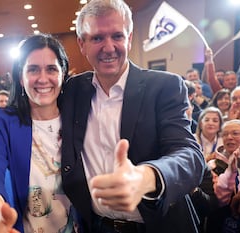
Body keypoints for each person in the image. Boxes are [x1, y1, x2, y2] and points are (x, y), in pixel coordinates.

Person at [60, 0, 205, 232]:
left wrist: (145, 178)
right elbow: (35, 110)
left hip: (159, 225)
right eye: (97, 38)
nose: (108, 47)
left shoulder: (164, 86)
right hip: (97, 226)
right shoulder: (72, 91)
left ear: (129, 38)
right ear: (82, 44)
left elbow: (190, 156)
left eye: (117, 36)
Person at [0, 34, 79, 233]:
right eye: (33, 69)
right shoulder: (1, 121)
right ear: (20, 77)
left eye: (51, 69)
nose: (42, 78)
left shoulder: (78, 117)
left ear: (63, 74)